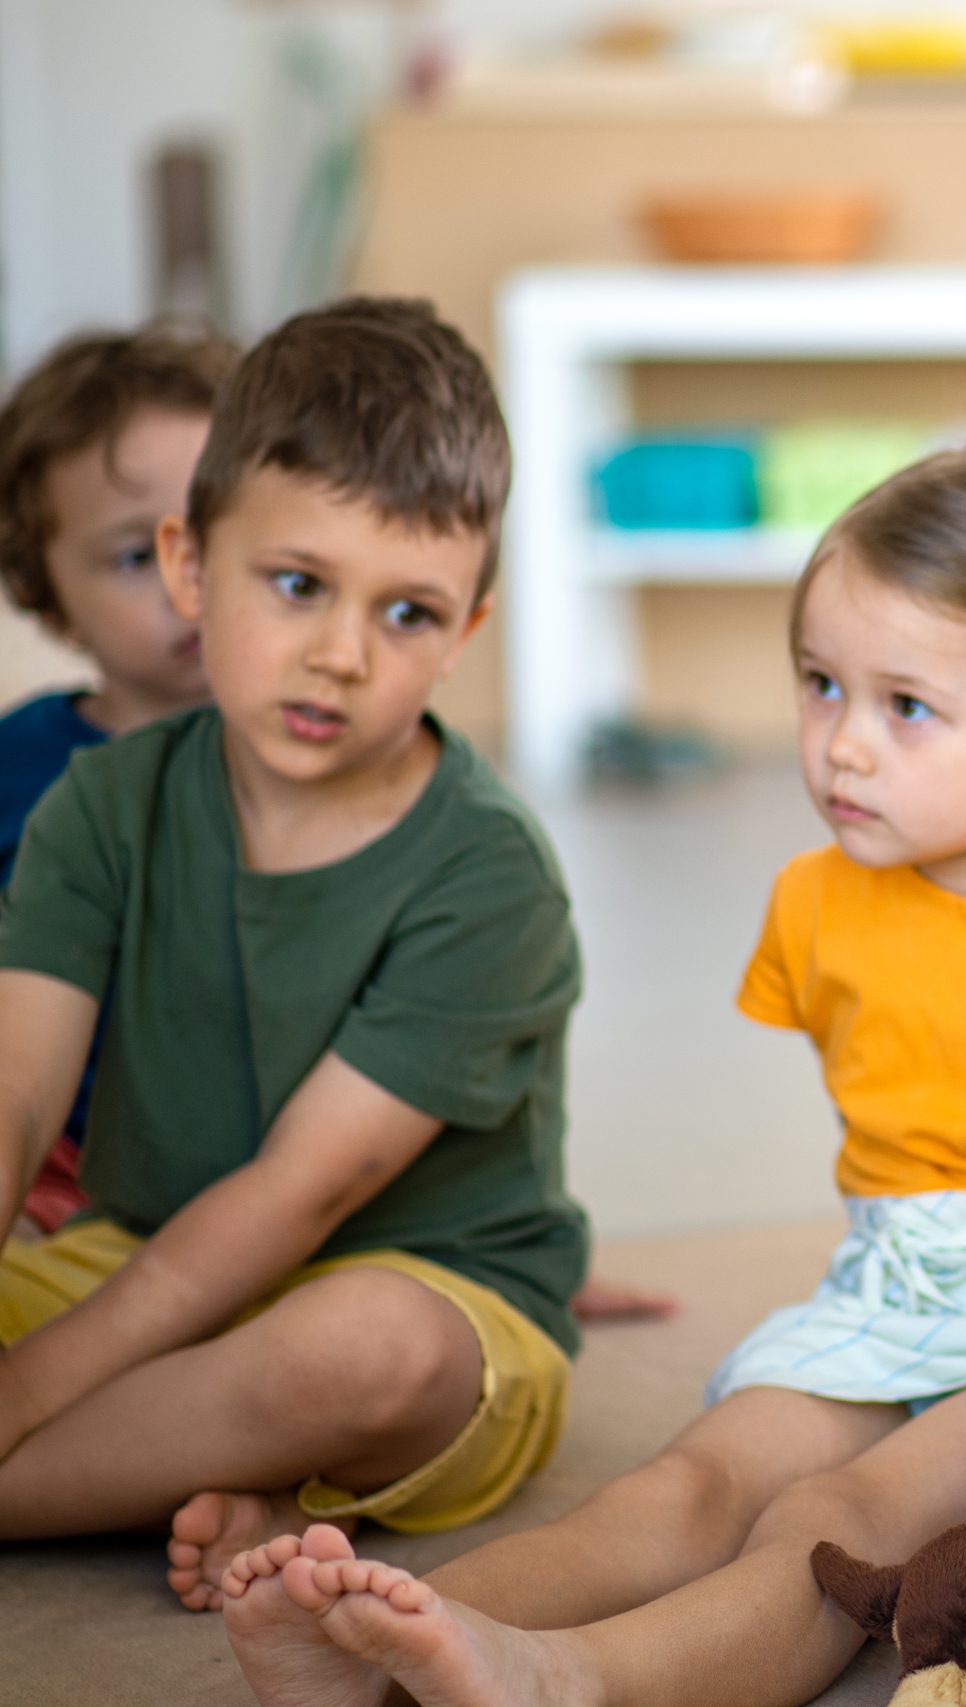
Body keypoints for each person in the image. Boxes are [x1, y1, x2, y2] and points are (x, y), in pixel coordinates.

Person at [218, 434, 966, 1707]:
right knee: (681, 1485)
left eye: (905, 706)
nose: (842, 746)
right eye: (820, 684)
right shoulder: (818, 901)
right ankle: (386, 1646)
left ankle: (570, 1683)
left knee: (844, 1511)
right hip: (894, 1292)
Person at [0, 298, 590, 1611]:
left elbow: (293, 1198)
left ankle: (67, 1467)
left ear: (467, 629)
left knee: (357, 1353)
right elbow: (20, 1095)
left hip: (421, 1288)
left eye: (408, 612)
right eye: (298, 583)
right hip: (138, 1246)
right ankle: (198, 1465)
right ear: (190, 564)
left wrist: (28, 1387)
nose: (341, 652)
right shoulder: (99, 806)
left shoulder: (490, 873)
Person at [0, 324, 676, 1321]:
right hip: (100, 1164)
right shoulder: (58, 785)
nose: (332, 646)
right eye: (136, 553)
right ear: (43, 577)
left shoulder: (422, 821)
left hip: (346, 1159)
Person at [0, 324, 237, 1238]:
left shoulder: (325, 756)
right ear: (46, 593)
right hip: (64, 1161)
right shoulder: (22, 766)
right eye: (140, 557)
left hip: (293, 1157)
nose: (192, 584)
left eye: (221, 536)